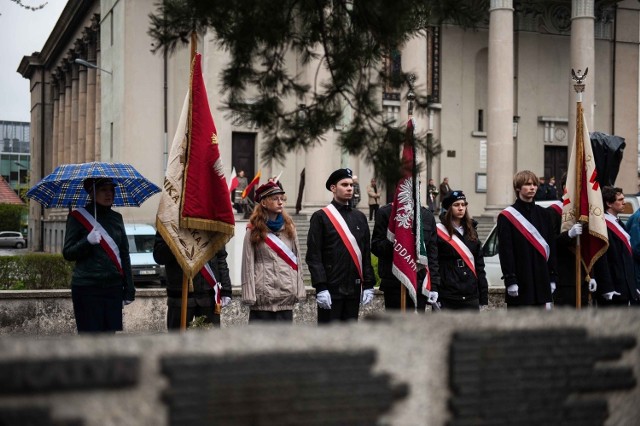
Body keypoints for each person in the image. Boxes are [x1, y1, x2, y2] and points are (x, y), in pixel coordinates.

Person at [62, 178, 135, 333]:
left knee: (109, 338)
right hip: (87, 287)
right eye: (103, 190)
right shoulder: (77, 217)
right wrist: (87, 241)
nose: (109, 194)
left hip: (113, 287)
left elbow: (124, 254)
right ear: (92, 193)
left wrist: (129, 288)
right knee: (90, 339)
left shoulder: (117, 218)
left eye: (111, 190)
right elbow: (68, 253)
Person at [306, 168, 375, 323]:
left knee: (350, 338)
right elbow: (314, 256)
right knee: (328, 339)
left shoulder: (360, 217)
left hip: (354, 288)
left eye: (351, 185)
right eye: (344, 184)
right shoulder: (321, 217)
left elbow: (365, 253)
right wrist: (321, 286)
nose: (350, 188)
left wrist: (369, 284)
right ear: (333, 188)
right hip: (331, 289)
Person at [241, 181, 306, 322]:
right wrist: (249, 294)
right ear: (264, 203)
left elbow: (298, 260)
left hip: (285, 298)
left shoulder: (290, 228)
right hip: (262, 298)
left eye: (282, 199)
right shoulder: (253, 230)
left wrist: (299, 289)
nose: (280, 202)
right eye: (275, 199)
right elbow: (247, 263)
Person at [497, 170, 557, 308]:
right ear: (518, 187)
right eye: (528, 184)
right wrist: (510, 280)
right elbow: (506, 251)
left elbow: (551, 247)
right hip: (520, 281)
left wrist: (552, 276)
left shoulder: (544, 214)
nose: (532, 188)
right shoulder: (507, 216)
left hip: (541, 280)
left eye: (535, 184)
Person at [153, 234, 232, 329]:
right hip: (179, 296)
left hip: (208, 296)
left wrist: (226, 289)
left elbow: (220, 258)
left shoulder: (212, 221)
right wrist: (177, 239)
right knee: (177, 342)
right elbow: (159, 257)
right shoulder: (169, 222)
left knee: (211, 342)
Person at [371, 202, 439, 312]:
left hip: (419, 283)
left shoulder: (427, 215)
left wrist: (434, 286)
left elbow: (432, 254)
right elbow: (376, 247)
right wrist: (397, 240)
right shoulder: (385, 212)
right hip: (394, 284)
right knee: (395, 327)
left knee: (417, 327)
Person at [436, 191, 488, 310]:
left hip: (470, 294)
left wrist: (483, 297)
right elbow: (434, 264)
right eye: (456, 205)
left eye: (463, 205)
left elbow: (480, 266)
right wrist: (436, 293)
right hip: (448, 294)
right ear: (449, 208)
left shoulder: (472, 231)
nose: (461, 208)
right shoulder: (439, 231)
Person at [592, 186, 639, 307]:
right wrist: (607, 287)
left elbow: (628, 259)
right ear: (608, 203)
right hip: (613, 288)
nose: (624, 202)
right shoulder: (602, 226)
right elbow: (602, 259)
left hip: (625, 287)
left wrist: (632, 287)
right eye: (620, 200)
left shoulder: (620, 224)